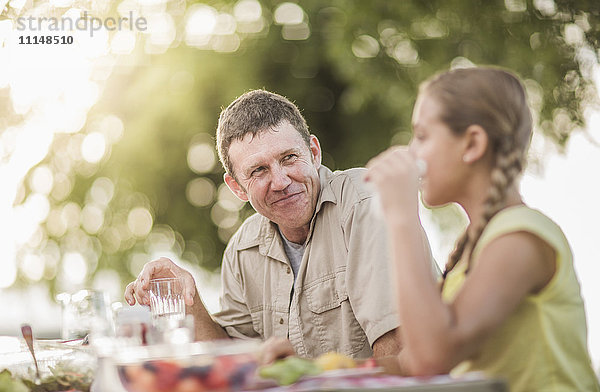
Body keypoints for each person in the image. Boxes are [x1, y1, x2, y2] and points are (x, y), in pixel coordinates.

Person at [125, 90, 437, 359]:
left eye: (289, 157)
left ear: (314, 153)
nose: (280, 181)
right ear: (236, 188)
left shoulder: (365, 202)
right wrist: (186, 303)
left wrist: (299, 373)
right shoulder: (242, 250)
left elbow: (399, 355)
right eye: (258, 170)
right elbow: (234, 362)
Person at [366, 67, 599, 391]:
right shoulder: (473, 248)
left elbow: (429, 359)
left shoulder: (520, 239)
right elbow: (407, 361)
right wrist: (309, 368)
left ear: (473, 144)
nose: (411, 152)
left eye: (421, 137)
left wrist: (402, 216)